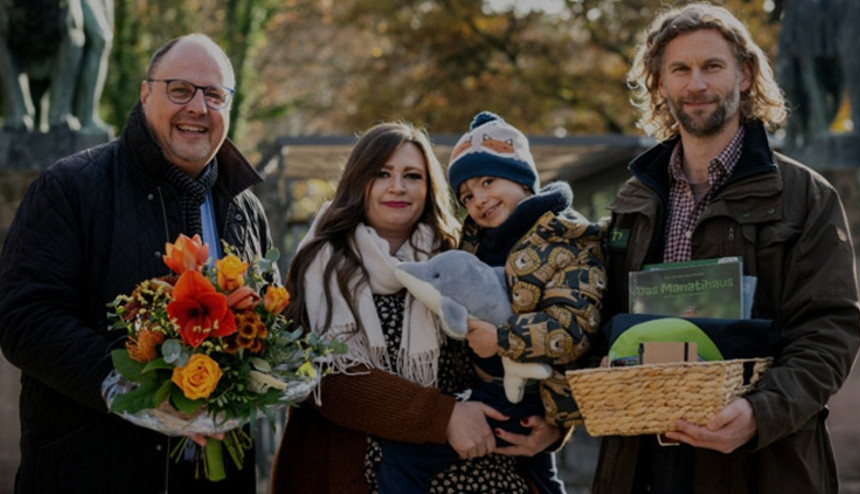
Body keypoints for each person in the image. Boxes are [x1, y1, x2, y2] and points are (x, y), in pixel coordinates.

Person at [595, 3, 860, 493]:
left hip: (761, 465)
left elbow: (829, 333)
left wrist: (759, 414)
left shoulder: (808, 197)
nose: (696, 84)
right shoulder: (629, 203)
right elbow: (597, 325)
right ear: (659, 84)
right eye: (680, 69)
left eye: (712, 66)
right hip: (641, 467)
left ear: (745, 74)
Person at [0, 33, 273, 493]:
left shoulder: (246, 209)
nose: (198, 108)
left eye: (214, 95)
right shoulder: (70, 188)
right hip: (93, 472)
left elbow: (265, 327)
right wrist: (134, 390)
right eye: (180, 89)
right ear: (146, 93)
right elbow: (23, 319)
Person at [269, 121, 563, 493]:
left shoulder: (463, 254)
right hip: (359, 471)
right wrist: (443, 417)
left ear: (429, 188)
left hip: (485, 468)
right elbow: (324, 379)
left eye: (412, 176)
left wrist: (552, 425)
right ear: (359, 181)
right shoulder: (319, 264)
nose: (398, 187)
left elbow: (540, 330)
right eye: (382, 174)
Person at [375, 111, 607, 493]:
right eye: (466, 195)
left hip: (531, 394)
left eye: (488, 181)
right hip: (501, 388)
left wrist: (502, 339)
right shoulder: (479, 243)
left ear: (522, 179)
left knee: (405, 459)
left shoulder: (568, 241)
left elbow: (573, 328)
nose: (479, 200)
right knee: (541, 477)